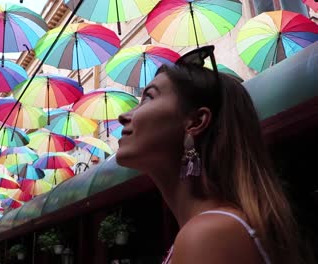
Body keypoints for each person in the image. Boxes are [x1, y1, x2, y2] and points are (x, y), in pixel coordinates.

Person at [116, 45, 313, 264]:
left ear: (197, 122)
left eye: (148, 98)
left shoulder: (207, 236)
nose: (123, 116)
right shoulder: (215, 229)